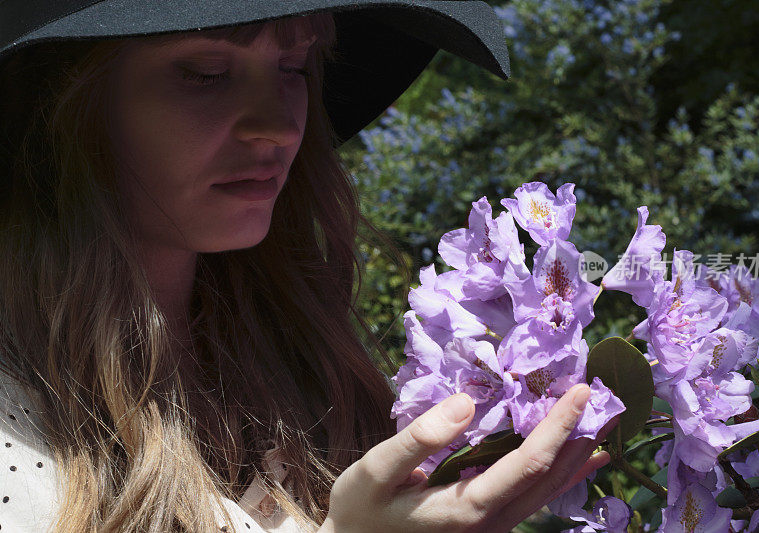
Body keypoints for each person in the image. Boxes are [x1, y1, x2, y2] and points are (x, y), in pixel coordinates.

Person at [0, 2, 616, 532]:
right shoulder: (16, 437)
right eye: (207, 74)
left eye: (294, 67)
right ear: (62, 101)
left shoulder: (306, 366)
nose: (277, 125)